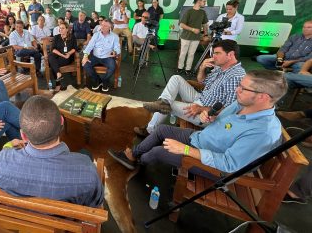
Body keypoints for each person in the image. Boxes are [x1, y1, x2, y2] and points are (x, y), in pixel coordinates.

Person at [109, 70, 288, 175]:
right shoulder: (242, 103)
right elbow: (221, 120)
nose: (237, 90)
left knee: (157, 151)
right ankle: (133, 154)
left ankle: (139, 163)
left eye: (243, 88)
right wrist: (210, 117)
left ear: (263, 97)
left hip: (214, 167)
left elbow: (228, 165)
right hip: (201, 138)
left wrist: (185, 150)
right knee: (162, 129)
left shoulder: (263, 132)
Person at [0, 95, 104, 208]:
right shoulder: (86, 171)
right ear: (62, 122)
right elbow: (96, 206)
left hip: (15, 225)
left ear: (23, 135)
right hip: (64, 226)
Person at [135, 40, 245, 137]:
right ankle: (163, 102)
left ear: (230, 54)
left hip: (207, 114)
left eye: (217, 53)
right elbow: (201, 81)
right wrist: (202, 67)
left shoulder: (236, 76)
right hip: (201, 97)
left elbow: (230, 109)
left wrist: (201, 109)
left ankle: (150, 130)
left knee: (169, 105)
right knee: (176, 78)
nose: (213, 56)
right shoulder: (220, 67)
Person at [82, 19, 121, 92]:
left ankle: (105, 81)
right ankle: (97, 79)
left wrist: (115, 52)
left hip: (107, 57)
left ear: (110, 27)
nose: (102, 27)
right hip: (95, 57)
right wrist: (85, 56)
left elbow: (117, 48)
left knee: (112, 67)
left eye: (105, 25)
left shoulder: (114, 36)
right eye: (102, 25)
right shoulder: (96, 34)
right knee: (85, 64)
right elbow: (89, 46)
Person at [178, 0, 209, 75]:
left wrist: (206, 34)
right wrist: (193, 29)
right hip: (185, 37)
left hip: (196, 38)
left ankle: (188, 69)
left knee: (191, 54)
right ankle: (180, 67)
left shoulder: (203, 12)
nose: (205, 3)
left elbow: (205, 24)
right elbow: (181, 24)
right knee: (183, 53)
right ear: (199, 1)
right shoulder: (188, 12)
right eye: (204, 1)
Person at [48, 23, 78, 92]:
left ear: (67, 29)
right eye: (60, 28)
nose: (60, 29)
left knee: (52, 64)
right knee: (50, 55)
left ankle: (58, 84)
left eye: (62, 28)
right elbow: (53, 49)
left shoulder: (72, 37)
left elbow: (75, 48)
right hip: (58, 55)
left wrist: (68, 54)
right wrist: (61, 54)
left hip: (68, 56)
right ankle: (58, 73)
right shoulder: (56, 37)